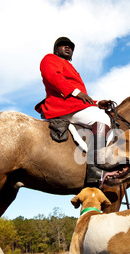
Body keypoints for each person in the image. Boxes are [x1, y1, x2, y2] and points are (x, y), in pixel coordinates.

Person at [35, 37, 113, 184]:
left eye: (70, 47)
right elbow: (52, 76)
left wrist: (97, 104)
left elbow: (80, 100)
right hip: (61, 105)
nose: (68, 48)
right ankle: (96, 168)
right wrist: (77, 92)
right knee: (103, 119)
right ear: (56, 49)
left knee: (100, 113)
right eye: (63, 45)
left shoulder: (71, 68)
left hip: (72, 105)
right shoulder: (50, 58)